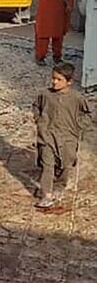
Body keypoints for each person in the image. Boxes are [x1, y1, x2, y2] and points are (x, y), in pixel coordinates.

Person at [32, 62, 92, 208]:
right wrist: (40, 121)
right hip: (47, 136)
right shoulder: (45, 94)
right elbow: (36, 107)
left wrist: (79, 125)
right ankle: (47, 195)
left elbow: (89, 113)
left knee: (66, 164)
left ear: (69, 82)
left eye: (59, 79)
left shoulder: (77, 98)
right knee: (48, 165)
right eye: (53, 78)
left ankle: (60, 184)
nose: (54, 82)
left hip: (68, 138)